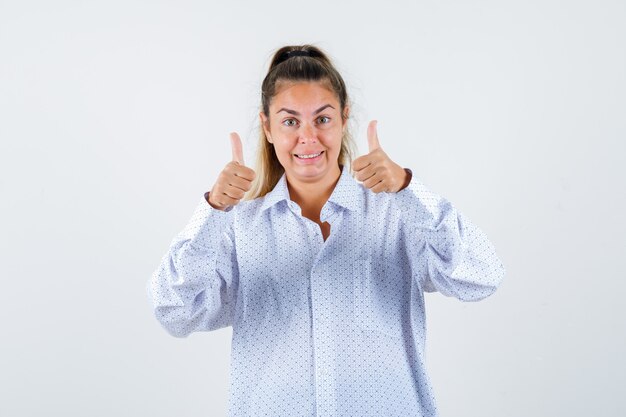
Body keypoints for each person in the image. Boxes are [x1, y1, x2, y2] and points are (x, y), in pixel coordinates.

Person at [146, 44, 506, 417]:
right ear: (267, 127)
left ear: (344, 119)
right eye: (289, 121)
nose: (308, 137)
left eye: (322, 119)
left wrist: (407, 189)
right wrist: (213, 211)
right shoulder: (237, 226)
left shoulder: (397, 214)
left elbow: (482, 276)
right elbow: (175, 312)